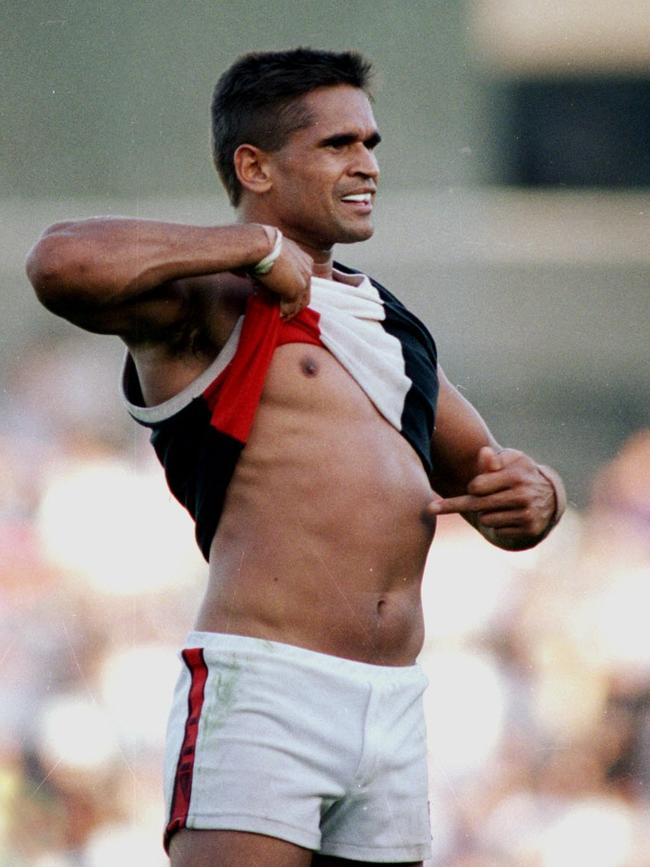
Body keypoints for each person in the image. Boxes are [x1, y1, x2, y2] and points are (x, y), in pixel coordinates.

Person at [26, 48, 565, 867]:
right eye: (338, 144)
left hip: (394, 700)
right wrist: (250, 248)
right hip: (266, 689)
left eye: (371, 143)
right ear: (255, 165)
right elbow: (60, 261)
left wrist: (543, 494)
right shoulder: (211, 301)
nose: (367, 165)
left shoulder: (387, 321)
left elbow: (497, 482)